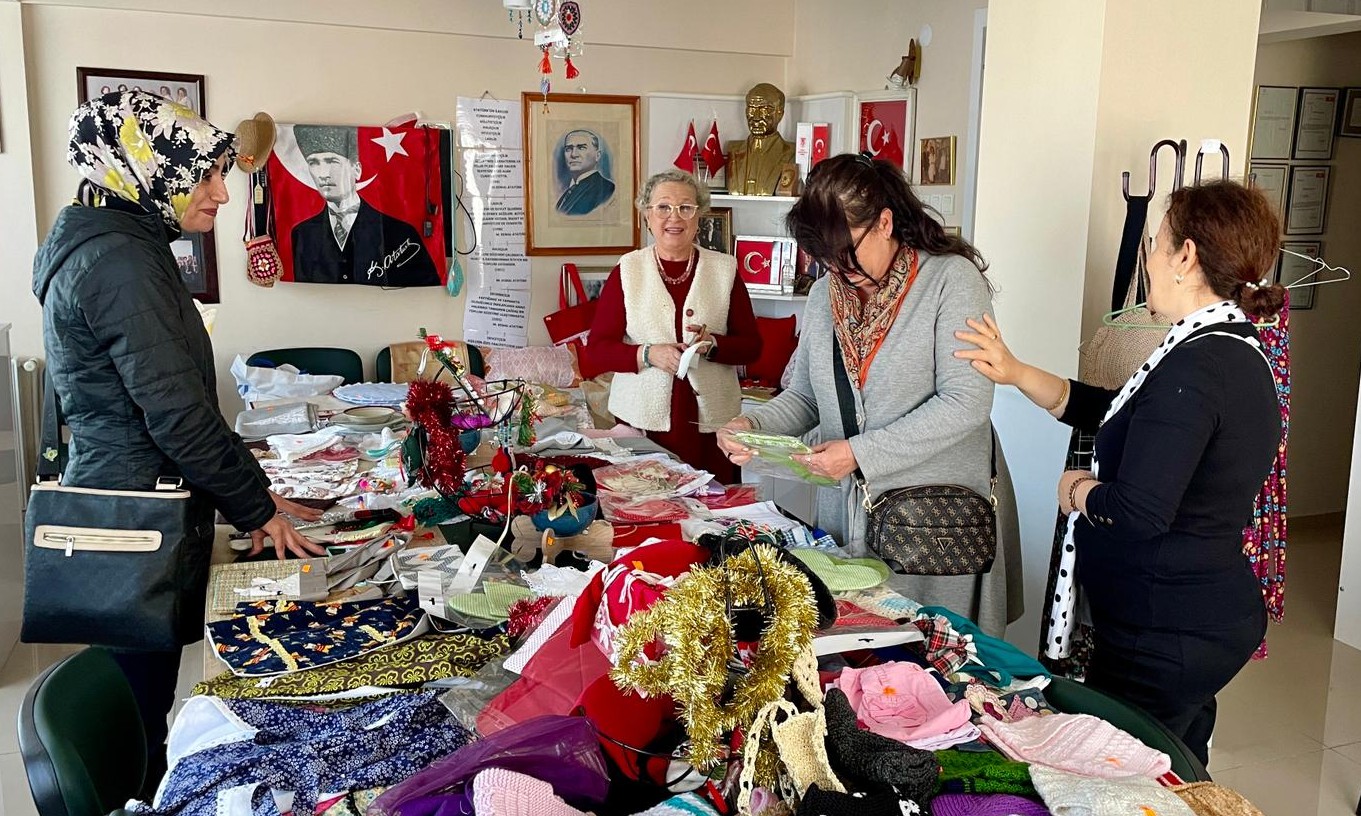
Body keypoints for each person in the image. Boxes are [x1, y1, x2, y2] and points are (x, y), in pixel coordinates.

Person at [31, 91, 327, 793]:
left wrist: (256, 492)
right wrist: (258, 510)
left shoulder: (114, 243)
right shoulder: (119, 262)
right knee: (138, 714)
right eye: (206, 175)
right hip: (136, 514)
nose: (222, 192)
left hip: (130, 492)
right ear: (145, 170)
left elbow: (174, 397)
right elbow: (177, 414)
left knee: (143, 702)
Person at [954, 180, 1285, 764]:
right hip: (1190, 618)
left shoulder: (1197, 369)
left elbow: (1138, 511)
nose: (1148, 258)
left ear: (1185, 256)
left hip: (1165, 632)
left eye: (1155, 242)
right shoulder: (1230, 348)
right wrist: (1015, 371)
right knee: (1177, 770)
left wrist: (1077, 490)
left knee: (1122, 779)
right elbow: (1116, 413)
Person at [718, 153, 1011, 633]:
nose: (836, 267)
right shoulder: (824, 296)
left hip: (935, 516)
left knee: (938, 649)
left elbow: (966, 403)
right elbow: (806, 397)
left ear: (884, 224)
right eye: (824, 256)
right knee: (856, 645)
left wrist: (858, 454)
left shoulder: (950, 281)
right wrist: (753, 425)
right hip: (850, 511)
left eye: (845, 250)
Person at [589, 169, 762, 482]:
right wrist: (647, 354)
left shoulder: (724, 269)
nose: (675, 217)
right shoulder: (628, 270)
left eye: (685, 207)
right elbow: (598, 350)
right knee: (648, 503)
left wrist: (714, 345)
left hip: (711, 428)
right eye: (663, 207)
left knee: (714, 505)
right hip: (643, 425)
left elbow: (751, 346)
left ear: (699, 217)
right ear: (647, 216)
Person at [290, 125, 441, 286]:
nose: (323, 174)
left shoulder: (400, 233)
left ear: (357, 170)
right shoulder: (303, 234)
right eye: (313, 163)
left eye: (332, 161)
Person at [726, 83, 796, 196]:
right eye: (752, 108)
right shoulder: (733, 150)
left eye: (765, 109)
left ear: (780, 114)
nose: (756, 117)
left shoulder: (791, 152)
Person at [556, 129, 616, 215]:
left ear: (597, 155)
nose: (573, 154)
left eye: (581, 148)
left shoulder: (606, 188)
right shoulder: (567, 193)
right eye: (568, 149)